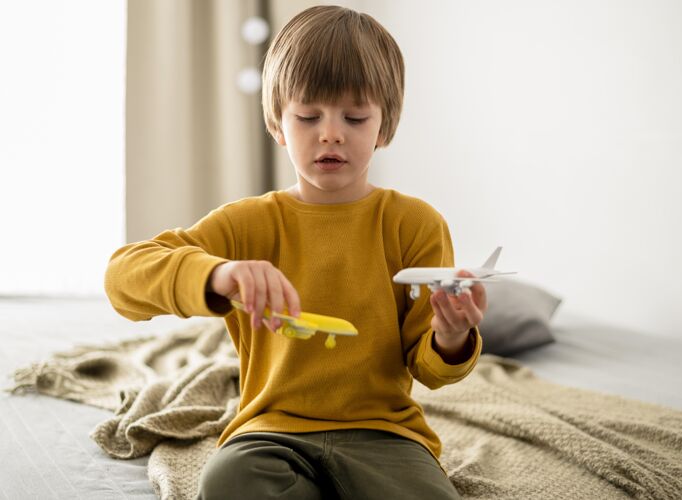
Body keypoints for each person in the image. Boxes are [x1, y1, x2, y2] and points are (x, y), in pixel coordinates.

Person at [105, 5, 487, 499]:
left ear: (385, 126)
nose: (330, 133)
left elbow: (430, 369)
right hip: (269, 432)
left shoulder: (415, 224)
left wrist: (451, 336)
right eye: (308, 116)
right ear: (278, 124)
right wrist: (216, 275)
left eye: (355, 116)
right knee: (226, 481)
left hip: (385, 435)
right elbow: (122, 279)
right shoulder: (247, 224)